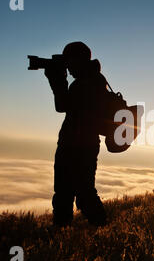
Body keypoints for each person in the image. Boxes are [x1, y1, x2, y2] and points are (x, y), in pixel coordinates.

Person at [44, 41, 108, 227]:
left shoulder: (87, 83)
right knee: (71, 192)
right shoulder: (93, 80)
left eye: (69, 62)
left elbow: (62, 105)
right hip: (80, 144)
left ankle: (100, 227)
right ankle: (64, 232)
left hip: (78, 146)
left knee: (79, 193)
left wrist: (56, 79)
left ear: (78, 60)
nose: (68, 68)